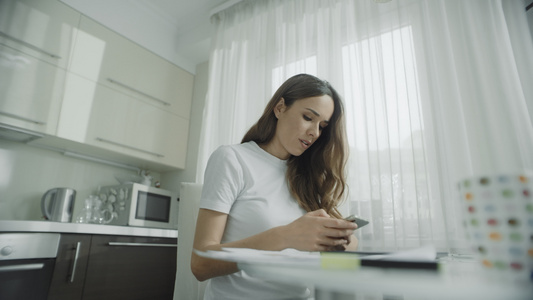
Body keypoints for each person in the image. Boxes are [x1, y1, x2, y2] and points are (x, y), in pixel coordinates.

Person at [191, 73, 358, 300]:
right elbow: (200, 264)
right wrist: (285, 237)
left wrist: (340, 241)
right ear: (280, 108)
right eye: (308, 117)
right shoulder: (233, 159)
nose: (315, 132)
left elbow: (345, 249)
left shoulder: (306, 177)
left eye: (322, 126)